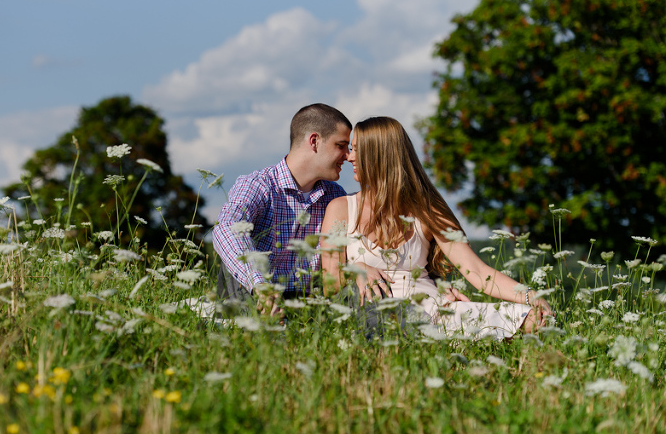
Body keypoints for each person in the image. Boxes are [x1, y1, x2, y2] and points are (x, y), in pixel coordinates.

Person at [320, 116, 552, 340]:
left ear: (379, 155)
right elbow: (331, 285)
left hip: (432, 311)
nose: (349, 157)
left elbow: (479, 273)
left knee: (531, 319)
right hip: (374, 313)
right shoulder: (341, 209)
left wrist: (532, 296)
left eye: (357, 149)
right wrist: (356, 267)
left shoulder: (427, 210)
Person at [212, 103, 352, 315]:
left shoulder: (335, 196)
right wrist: (260, 284)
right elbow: (227, 228)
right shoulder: (259, 184)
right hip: (254, 294)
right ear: (314, 141)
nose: (348, 156)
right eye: (341, 145)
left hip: (308, 302)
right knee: (236, 258)